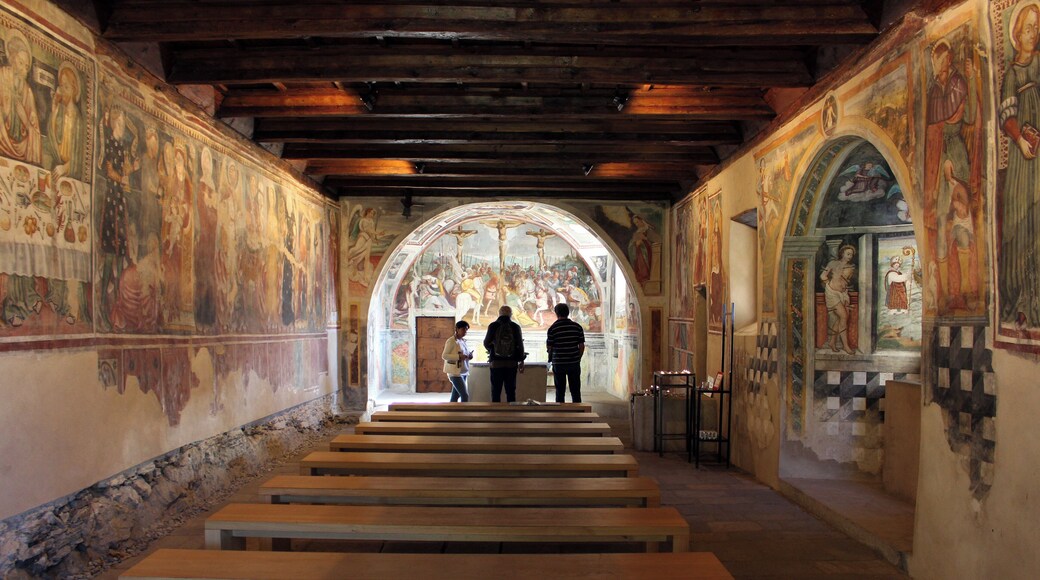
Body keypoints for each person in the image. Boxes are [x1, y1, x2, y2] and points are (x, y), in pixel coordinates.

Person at [483, 305, 525, 402]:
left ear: (499, 313)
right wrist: (521, 361)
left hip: (496, 363)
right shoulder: (515, 326)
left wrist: (492, 349)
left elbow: (486, 343)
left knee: (496, 390)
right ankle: (511, 413)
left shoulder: (493, 326)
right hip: (512, 363)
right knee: (510, 390)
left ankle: (496, 413)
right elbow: (520, 345)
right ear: (511, 314)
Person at [820, 245, 857, 354]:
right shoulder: (832, 264)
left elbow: (846, 282)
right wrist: (830, 284)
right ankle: (846, 346)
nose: (850, 256)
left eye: (851, 254)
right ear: (842, 253)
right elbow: (823, 276)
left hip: (843, 294)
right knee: (844, 316)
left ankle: (832, 342)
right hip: (832, 293)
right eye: (848, 253)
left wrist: (844, 292)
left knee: (839, 319)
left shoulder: (851, 267)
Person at [546, 303, 585, 403]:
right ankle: (578, 412)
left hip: (559, 363)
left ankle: (560, 413)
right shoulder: (577, 327)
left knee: (560, 391)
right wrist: (578, 358)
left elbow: (549, 346)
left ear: (556, 313)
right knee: (575, 390)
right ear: (568, 313)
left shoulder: (552, 328)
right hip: (573, 363)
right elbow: (581, 346)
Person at [442, 320, 474, 402]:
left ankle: (451, 413)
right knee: (464, 395)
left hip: (463, 371)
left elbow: (465, 354)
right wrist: (459, 357)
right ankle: (464, 413)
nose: (465, 332)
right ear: (457, 329)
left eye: (466, 330)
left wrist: (469, 356)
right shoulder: (451, 341)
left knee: (455, 396)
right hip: (455, 373)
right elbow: (444, 356)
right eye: (463, 329)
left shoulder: (463, 341)